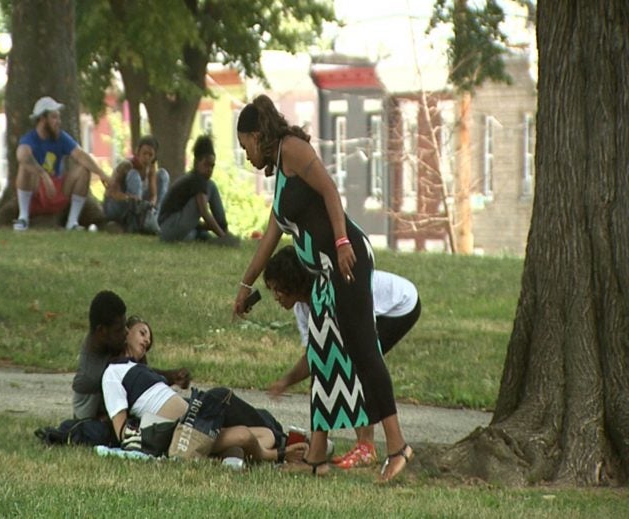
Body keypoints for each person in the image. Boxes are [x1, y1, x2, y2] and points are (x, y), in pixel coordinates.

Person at [233, 95, 414, 480]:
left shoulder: (294, 150)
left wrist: (342, 242)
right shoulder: (281, 175)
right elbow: (268, 239)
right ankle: (316, 455)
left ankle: (397, 447)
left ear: (255, 134)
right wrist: (244, 285)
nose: (246, 155)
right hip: (322, 276)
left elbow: (331, 191)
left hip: (345, 261)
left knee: (365, 351)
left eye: (244, 145)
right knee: (322, 355)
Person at [264, 245, 421, 469]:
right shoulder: (304, 308)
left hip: (399, 305)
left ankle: (366, 447)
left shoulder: (333, 295)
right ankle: (348, 449)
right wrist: (285, 381)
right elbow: (314, 356)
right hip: (378, 309)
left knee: (356, 362)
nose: (275, 297)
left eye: (278, 289)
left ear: (294, 283)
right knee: (338, 361)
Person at [102, 315, 308, 464]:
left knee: (264, 434)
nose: (147, 341)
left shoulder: (141, 370)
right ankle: (283, 450)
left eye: (148, 340)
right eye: (142, 332)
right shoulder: (113, 373)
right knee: (223, 400)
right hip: (180, 434)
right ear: (126, 331)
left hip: (198, 424)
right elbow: (122, 432)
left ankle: (276, 448)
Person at [72, 292, 191, 421]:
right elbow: (137, 378)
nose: (126, 332)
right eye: (119, 329)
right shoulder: (92, 375)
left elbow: (139, 373)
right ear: (102, 331)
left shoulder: (110, 341)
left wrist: (172, 376)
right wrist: (170, 377)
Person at [14, 96, 111, 231]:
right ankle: (23, 217)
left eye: (58, 117)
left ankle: (72, 222)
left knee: (83, 169)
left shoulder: (61, 137)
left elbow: (80, 155)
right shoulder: (30, 139)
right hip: (36, 193)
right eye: (54, 117)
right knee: (24, 167)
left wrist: (102, 174)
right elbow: (22, 155)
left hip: (57, 191)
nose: (58, 122)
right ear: (42, 119)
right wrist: (43, 175)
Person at [158, 135, 237, 245]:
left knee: (202, 236)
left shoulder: (196, 179)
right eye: (206, 165)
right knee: (209, 188)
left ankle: (221, 229)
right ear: (197, 162)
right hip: (169, 227)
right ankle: (223, 232)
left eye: (212, 166)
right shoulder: (197, 179)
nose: (209, 170)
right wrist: (223, 237)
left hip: (169, 230)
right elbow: (204, 212)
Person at [103, 135, 170, 233]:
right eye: (144, 153)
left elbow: (153, 194)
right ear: (137, 152)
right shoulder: (127, 165)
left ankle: (154, 219)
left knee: (163, 174)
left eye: (150, 155)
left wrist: (151, 204)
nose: (147, 158)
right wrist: (130, 199)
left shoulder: (151, 167)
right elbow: (112, 193)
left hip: (136, 203)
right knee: (134, 174)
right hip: (115, 205)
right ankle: (136, 222)